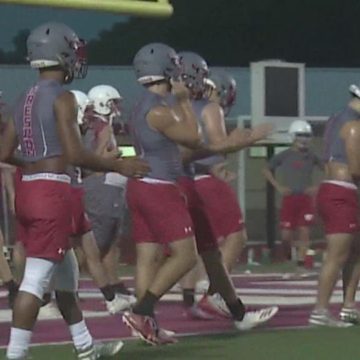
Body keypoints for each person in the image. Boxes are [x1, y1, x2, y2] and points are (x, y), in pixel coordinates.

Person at [0, 22, 149, 359]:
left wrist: (36, 164)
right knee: (36, 282)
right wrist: (118, 165)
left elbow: (4, 152)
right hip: (52, 192)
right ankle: (15, 354)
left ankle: (85, 347)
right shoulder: (63, 97)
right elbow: (74, 153)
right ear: (62, 54)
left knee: (66, 273)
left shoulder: (22, 96)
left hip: (30, 190)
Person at [175, 52, 278, 325]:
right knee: (235, 236)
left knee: (199, 246)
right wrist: (247, 139)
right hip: (205, 180)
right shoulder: (210, 109)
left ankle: (185, 300)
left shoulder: (171, 106)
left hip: (180, 180)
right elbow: (219, 145)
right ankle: (214, 296)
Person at [122, 42, 202, 345]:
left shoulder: (140, 104)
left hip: (141, 186)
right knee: (185, 257)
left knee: (148, 256)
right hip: (158, 187)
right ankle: (142, 311)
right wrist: (184, 102)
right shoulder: (159, 110)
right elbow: (194, 138)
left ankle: (145, 325)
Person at [309, 84, 360, 327]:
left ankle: (349, 306)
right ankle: (320, 310)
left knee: (355, 250)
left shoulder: (336, 118)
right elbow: (356, 168)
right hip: (342, 191)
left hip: (336, 189)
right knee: (337, 255)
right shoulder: (353, 125)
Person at [82, 85, 132, 298]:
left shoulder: (93, 126)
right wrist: (118, 157)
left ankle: (113, 282)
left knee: (110, 240)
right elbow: (98, 159)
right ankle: (66, 286)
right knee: (98, 243)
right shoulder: (101, 127)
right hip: (101, 187)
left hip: (104, 187)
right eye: (112, 103)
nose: (116, 107)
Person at [263, 120, 322, 269]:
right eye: (300, 135)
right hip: (289, 198)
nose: (304, 139)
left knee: (304, 231)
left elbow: (329, 169)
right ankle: (287, 255)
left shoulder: (312, 156)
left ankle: (302, 262)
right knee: (286, 236)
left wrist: (317, 187)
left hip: (305, 198)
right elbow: (266, 169)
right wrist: (279, 187)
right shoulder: (285, 155)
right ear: (293, 136)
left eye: (307, 136)